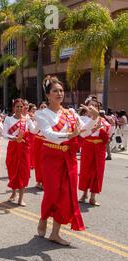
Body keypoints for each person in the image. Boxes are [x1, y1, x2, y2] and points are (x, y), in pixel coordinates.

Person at [35, 75, 99, 246]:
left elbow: (83, 132)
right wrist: (68, 135)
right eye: (55, 91)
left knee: (66, 195)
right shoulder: (41, 114)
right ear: (48, 95)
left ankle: (55, 233)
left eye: (61, 90)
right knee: (51, 194)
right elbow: (49, 135)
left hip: (68, 158)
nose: (59, 93)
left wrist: (94, 119)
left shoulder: (70, 113)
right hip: (51, 157)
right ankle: (43, 217)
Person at [78, 96, 115, 206]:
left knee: (97, 172)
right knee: (86, 171)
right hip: (88, 147)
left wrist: (112, 125)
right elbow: (83, 133)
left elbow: (108, 134)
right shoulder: (83, 119)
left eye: (96, 106)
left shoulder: (103, 120)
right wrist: (94, 128)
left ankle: (93, 197)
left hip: (99, 148)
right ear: (87, 107)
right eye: (91, 105)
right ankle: (84, 194)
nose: (94, 107)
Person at [3, 98, 35, 206]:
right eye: (17, 106)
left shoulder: (27, 119)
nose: (19, 108)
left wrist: (40, 121)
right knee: (12, 171)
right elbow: (4, 134)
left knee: (24, 172)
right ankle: (13, 193)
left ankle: (21, 198)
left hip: (24, 149)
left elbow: (34, 130)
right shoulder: (8, 119)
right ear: (13, 108)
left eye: (21, 107)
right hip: (13, 148)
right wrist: (14, 138)